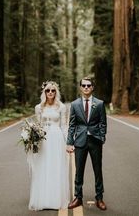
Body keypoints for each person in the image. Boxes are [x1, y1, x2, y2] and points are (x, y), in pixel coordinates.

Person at [66, 77, 107, 211]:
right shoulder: (75, 104)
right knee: (79, 171)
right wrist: (69, 142)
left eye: (89, 85)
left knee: (97, 170)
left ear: (92, 87)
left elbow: (103, 122)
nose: (86, 87)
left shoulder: (99, 104)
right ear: (80, 87)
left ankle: (99, 198)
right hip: (80, 141)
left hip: (95, 141)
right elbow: (72, 125)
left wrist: (101, 137)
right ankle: (78, 197)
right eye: (83, 85)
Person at [28, 81, 70, 210]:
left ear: (56, 92)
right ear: (44, 92)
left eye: (53, 90)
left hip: (57, 139)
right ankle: (43, 199)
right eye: (47, 90)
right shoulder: (39, 107)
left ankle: (56, 200)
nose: (50, 92)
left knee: (56, 166)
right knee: (43, 166)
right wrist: (33, 139)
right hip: (44, 139)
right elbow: (37, 125)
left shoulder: (62, 107)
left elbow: (63, 126)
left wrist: (68, 142)